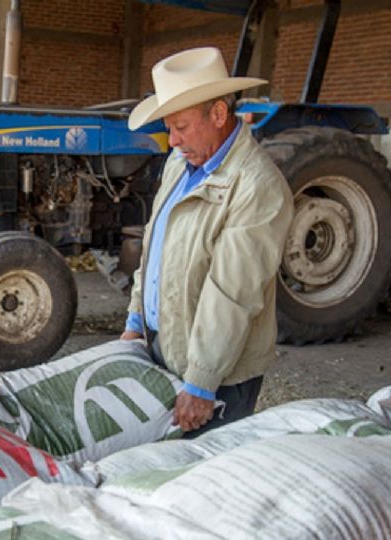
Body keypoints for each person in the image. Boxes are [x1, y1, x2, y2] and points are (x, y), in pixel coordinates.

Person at [121, 47, 294, 436]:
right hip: (165, 349)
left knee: (198, 476)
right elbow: (155, 247)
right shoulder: (180, 164)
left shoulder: (258, 187)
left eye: (181, 127)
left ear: (218, 114)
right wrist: (135, 321)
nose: (172, 139)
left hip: (218, 376)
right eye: (168, 127)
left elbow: (232, 293)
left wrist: (201, 382)